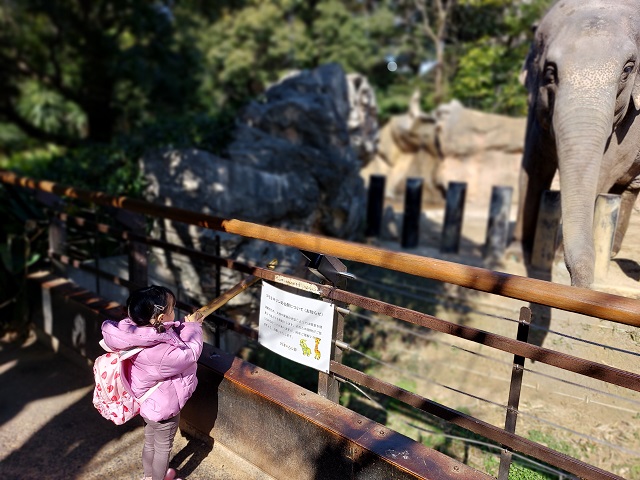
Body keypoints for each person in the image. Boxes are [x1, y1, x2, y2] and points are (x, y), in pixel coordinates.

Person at [100, 285, 203, 480]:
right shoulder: (160, 352)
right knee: (163, 448)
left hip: (146, 402)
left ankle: (148, 476)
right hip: (163, 406)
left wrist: (182, 325)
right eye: (172, 309)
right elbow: (189, 354)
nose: (174, 312)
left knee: (150, 443)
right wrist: (194, 328)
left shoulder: (133, 333)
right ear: (161, 318)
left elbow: (164, 334)